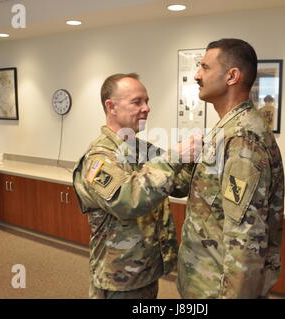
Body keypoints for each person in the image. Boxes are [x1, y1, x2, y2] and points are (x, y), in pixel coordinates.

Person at [72, 73, 198, 299]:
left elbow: (177, 186)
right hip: (119, 278)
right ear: (112, 107)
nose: (146, 108)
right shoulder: (99, 157)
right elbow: (128, 201)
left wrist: (191, 158)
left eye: (147, 101)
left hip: (146, 269)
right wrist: (174, 157)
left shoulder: (140, 149)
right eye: (137, 102)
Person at [177, 39, 285, 298]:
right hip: (204, 280)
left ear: (232, 76)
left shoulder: (243, 137)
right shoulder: (228, 128)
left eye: (204, 67)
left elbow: (245, 236)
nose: (196, 75)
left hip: (217, 289)